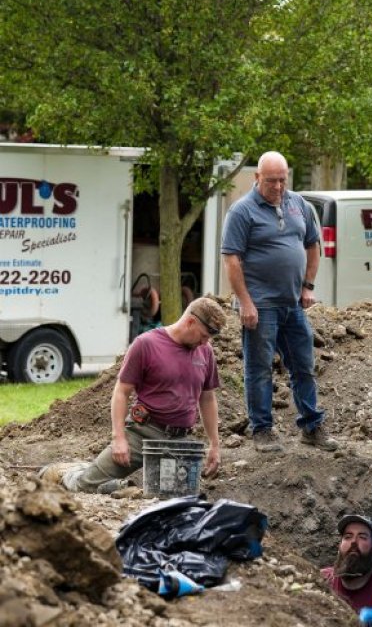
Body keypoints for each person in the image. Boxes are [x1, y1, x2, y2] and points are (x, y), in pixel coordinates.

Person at [39, 296, 226, 493]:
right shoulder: (146, 344)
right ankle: (67, 472)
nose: (205, 342)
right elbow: (121, 392)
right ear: (190, 322)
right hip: (142, 434)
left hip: (179, 441)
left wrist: (214, 444)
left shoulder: (205, 351)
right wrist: (119, 438)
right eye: (204, 335)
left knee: (178, 499)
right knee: (85, 486)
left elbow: (207, 398)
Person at [220, 150, 337, 453]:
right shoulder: (241, 212)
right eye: (271, 181)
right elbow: (231, 261)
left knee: (303, 364)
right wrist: (245, 302)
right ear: (257, 178)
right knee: (259, 368)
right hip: (260, 305)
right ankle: (262, 430)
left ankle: (312, 426)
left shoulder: (299, 204)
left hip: (293, 304)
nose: (277, 187)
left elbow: (312, 246)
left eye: (282, 180)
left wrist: (308, 285)